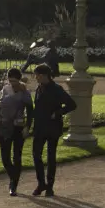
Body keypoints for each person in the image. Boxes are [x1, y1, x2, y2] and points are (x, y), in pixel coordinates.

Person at [30, 64, 76, 197]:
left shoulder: (56, 89)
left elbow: (72, 104)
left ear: (43, 75)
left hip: (52, 127)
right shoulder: (39, 88)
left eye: (37, 75)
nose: (35, 77)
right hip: (39, 127)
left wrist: (58, 113)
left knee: (51, 157)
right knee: (36, 155)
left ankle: (49, 186)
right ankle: (41, 183)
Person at [0, 70, 33, 197]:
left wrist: (27, 127)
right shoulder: (5, 90)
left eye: (14, 81)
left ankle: (13, 185)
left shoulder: (25, 93)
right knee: (5, 158)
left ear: (19, 80)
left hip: (18, 127)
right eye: (10, 81)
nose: (12, 84)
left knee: (17, 156)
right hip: (5, 126)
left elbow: (30, 111)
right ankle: (13, 176)